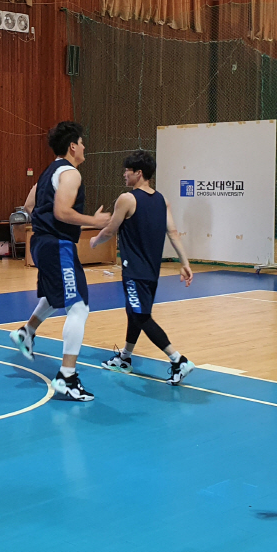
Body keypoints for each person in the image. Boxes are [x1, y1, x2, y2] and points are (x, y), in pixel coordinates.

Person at [10, 122, 111, 401]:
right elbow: (62, 211)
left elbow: (30, 206)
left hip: (42, 244)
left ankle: (27, 332)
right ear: (72, 146)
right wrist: (95, 221)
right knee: (78, 307)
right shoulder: (71, 174)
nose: (85, 147)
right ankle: (67, 377)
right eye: (82, 142)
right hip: (57, 244)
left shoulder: (46, 174)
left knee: (57, 298)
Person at [89, 149, 196, 385]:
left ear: (138, 173)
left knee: (141, 316)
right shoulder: (162, 200)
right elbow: (174, 233)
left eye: (127, 171)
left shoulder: (127, 199)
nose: (124, 175)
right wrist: (185, 263)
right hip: (151, 272)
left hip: (135, 272)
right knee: (133, 313)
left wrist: (95, 241)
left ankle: (178, 360)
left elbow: (110, 229)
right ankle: (125, 358)